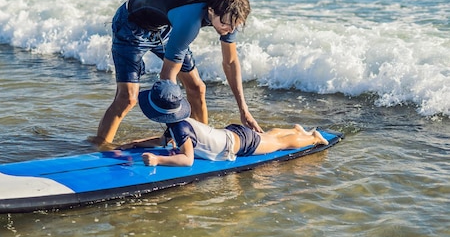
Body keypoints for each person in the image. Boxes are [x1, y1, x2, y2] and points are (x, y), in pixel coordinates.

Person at [93, 0, 262, 148]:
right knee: (127, 98)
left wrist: (244, 110)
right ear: (211, 11)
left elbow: (231, 62)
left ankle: (200, 142)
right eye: (226, 25)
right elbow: (167, 77)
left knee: (197, 88)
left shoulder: (229, 15)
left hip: (164, 28)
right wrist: (175, 132)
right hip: (131, 26)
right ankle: (100, 147)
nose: (230, 30)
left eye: (235, 26)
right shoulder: (189, 21)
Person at [118, 80, 328, 167]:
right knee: (269, 137)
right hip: (231, 134)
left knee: (282, 144)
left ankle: (311, 137)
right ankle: (295, 129)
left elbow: (187, 159)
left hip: (241, 144)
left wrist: (157, 160)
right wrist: (136, 143)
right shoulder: (178, 123)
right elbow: (162, 140)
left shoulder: (180, 128)